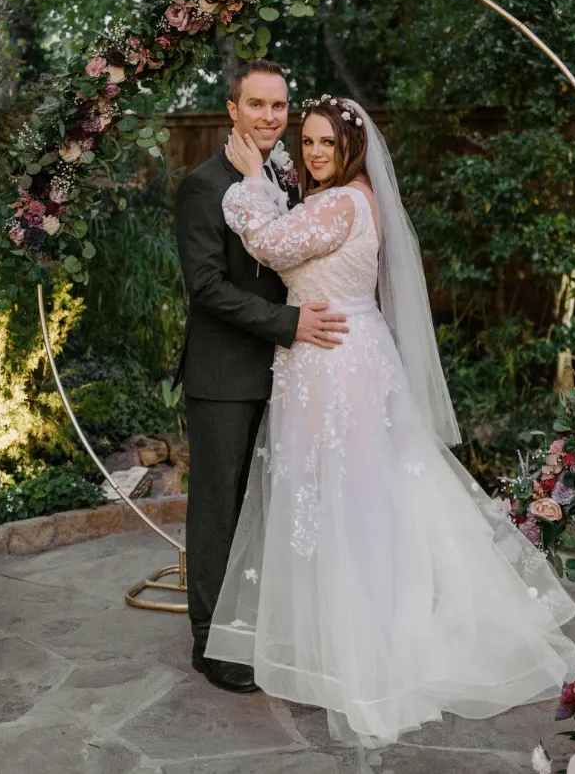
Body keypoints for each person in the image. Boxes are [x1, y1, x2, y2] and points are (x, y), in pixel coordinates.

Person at [204, 95, 575, 748]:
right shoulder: (354, 197)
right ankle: (342, 629)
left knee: (344, 496)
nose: (316, 152)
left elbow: (268, 241)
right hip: (340, 351)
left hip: (333, 364)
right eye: (310, 141)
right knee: (361, 492)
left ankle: (365, 646)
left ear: (351, 148)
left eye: (327, 142)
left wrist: (251, 181)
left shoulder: (340, 202)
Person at [174, 62, 349, 694]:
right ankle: (208, 643)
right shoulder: (203, 184)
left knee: (267, 508)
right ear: (232, 109)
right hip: (224, 374)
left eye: (280, 106)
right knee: (219, 510)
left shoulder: (287, 178)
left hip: (287, 371)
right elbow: (207, 288)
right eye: (257, 105)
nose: (271, 117)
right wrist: (290, 323)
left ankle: (255, 626)